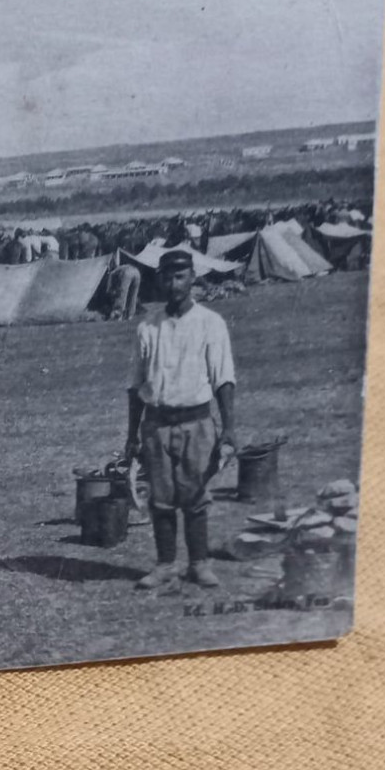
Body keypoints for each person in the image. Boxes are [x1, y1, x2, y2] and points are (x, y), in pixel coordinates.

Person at [123, 249, 237, 589]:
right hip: (157, 425)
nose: (174, 284)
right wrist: (132, 435)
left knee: (195, 494)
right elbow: (135, 385)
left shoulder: (210, 323)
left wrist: (229, 429)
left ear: (192, 279)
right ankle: (165, 565)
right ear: (160, 279)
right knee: (160, 498)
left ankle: (199, 564)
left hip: (197, 423)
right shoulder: (147, 328)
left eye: (180, 277)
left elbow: (223, 378)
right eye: (168, 277)